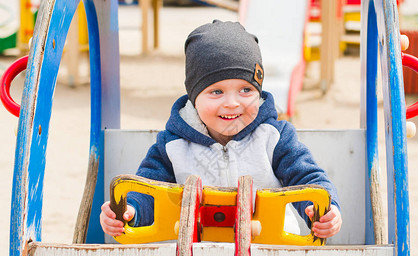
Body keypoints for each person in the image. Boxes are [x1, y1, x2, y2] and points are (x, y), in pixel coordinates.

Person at [100, 20, 342, 240]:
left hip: (271, 253)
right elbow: (147, 190)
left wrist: (323, 212)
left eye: (245, 90)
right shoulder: (173, 145)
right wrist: (128, 210)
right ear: (194, 98)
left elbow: (308, 178)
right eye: (216, 92)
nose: (232, 103)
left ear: (259, 92)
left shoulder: (274, 137)